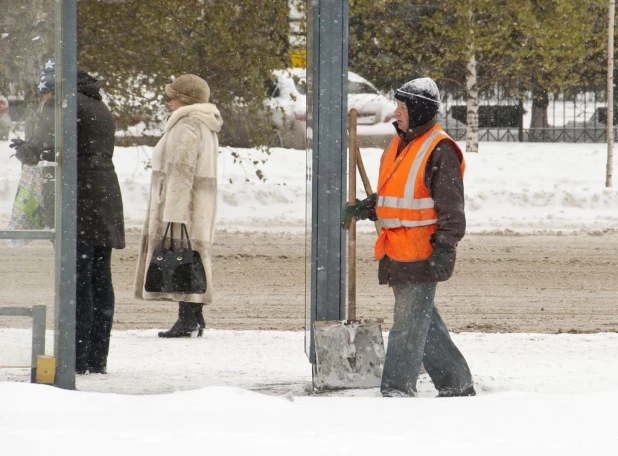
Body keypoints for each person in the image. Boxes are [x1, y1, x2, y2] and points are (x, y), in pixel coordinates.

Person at [342, 77, 475, 398]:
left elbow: (451, 210)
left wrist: (444, 249)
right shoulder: (401, 143)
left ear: (417, 111)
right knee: (423, 323)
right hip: (396, 250)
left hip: (422, 252)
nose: (395, 114)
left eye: (401, 108)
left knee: (406, 327)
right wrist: (367, 207)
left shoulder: (439, 149)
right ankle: (456, 382)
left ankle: (396, 389)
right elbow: (397, 195)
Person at [9, 59, 125, 374]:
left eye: (46, 90)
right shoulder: (95, 103)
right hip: (102, 194)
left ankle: (77, 357)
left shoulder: (70, 104)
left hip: (83, 198)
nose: (44, 96)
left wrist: (29, 149)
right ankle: (95, 358)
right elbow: (71, 147)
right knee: (100, 280)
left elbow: (51, 145)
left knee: (80, 280)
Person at [134, 74, 222, 338]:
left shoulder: (188, 125)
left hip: (183, 203)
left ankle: (187, 319)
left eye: (173, 97)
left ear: (184, 100)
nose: (169, 102)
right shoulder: (202, 123)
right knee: (192, 257)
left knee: (183, 258)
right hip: (196, 202)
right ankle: (194, 315)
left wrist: (174, 212)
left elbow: (181, 171)